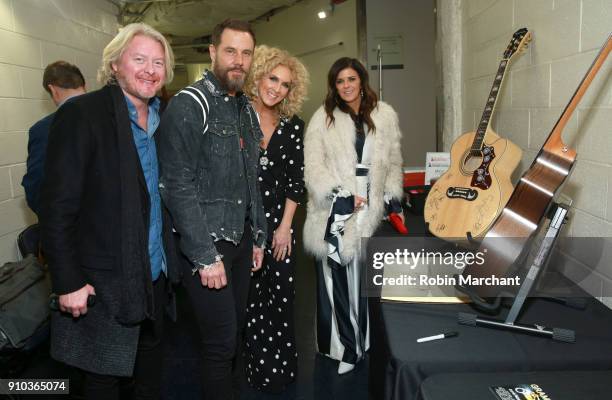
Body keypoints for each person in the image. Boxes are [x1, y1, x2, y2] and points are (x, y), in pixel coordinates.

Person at [39, 23, 178, 399]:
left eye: (158, 62)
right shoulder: (84, 114)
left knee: (149, 369)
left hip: (153, 274)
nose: (150, 70)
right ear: (115, 64)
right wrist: (67, 280)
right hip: (103, 280)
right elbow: (57, 207)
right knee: (103, 378)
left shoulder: (164, 118)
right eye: (139, 59)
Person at [156, 19, 266, 400]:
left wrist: (259, 235)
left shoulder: (244, 110)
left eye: (246, 53)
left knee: (233, 335)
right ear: (213, 52)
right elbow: (175, 187)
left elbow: (252, 181)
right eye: (231, 51)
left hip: (239, 240)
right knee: (220, 343)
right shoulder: (190, 105)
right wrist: (205, 256)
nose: (239, 60)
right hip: (206, 246)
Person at [303, 57, 404, 374]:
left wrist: (390, 196)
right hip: (337, 209)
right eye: (339, 81)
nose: (346, 86)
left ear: (362, 80)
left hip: (370, 208)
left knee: (366, 283)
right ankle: (344, 348)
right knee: (338, 283)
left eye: (351, 79)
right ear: (334, 86)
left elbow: (393, 159)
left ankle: (367, 342)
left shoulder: (384, 114)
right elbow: (313, 167)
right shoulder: (323, 118)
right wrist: (339, 195)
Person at [242, 45, 309, 392]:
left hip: (280, 225)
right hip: (242, 225)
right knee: (251, 299)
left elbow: (296, 181)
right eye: (273, 78)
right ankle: (258, 370)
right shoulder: (236, 116)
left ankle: (282, 372)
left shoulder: (293, 126)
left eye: (285, 84)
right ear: (259, 76)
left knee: (281, 297)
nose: (277, 88)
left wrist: (285, 228)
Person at [22, 61, 86, 216]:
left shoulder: (45, 129)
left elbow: (37, 189)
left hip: (74, 230)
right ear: (84, 85)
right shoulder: (113, 118)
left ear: (52, 90)